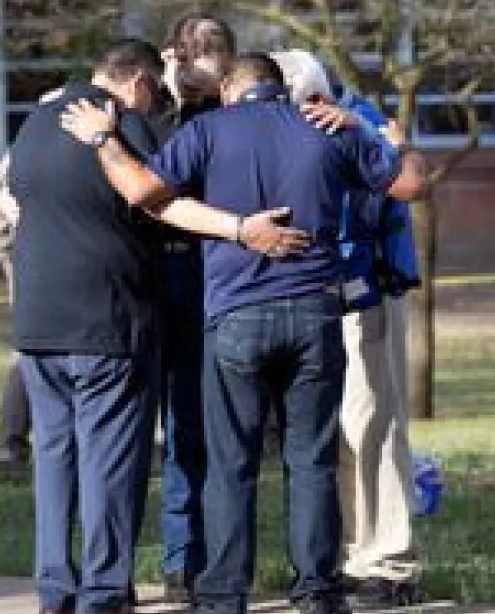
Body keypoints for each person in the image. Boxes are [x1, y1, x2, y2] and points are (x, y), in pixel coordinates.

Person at [59, 54, 429, 614]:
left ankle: (224, 593)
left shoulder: (208, 129)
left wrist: (104, 140)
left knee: (231, 461)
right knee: (312, 460)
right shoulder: (328, 127)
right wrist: (389, 136)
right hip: (316, 313)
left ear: (231, 91)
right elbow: (411, 185)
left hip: (235, 319)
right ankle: (317, 591)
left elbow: (140, 191)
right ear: (280, 91)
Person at [8, 40, 306, 614]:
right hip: (108, 322)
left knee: (54, 459)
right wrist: (241, 229)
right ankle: (103, 590)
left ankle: (54, 588)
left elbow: (27, 203)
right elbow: (159, 201)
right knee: (109, 461)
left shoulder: (33, 125)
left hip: (38, 323)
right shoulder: (122, 126)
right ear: (140, 83)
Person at [270, 50, 427, 609]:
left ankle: (388, 564)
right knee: (325, 435)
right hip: (305, 298)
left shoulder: (353, 116)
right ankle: (332, 561)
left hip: (364, 294)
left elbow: (406, 182)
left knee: (372, 427)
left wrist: (370, 134)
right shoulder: (284, 118)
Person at [153, 13, 235, 603]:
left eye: (214, 51)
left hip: (213, 274)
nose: (202, 61)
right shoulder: (149, 112)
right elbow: (144, 179)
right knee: (136, 428)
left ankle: (191, 559)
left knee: (196, 423)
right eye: (192, 50)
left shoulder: (239, 113)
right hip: (153, 275)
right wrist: (168, 96)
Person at [0, 87, 66, 464]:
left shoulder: (28, 148)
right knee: (30, 348)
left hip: (30, 257)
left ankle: (16, 435)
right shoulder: (27, 154)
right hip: (31, 260)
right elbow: (14, 215)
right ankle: (13, 435)